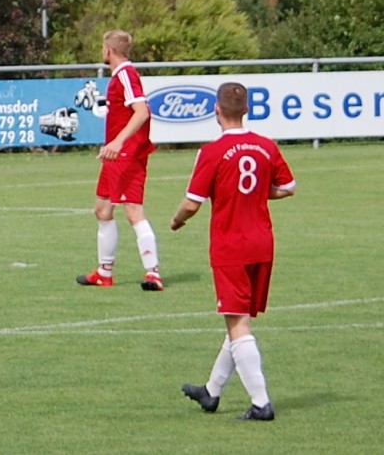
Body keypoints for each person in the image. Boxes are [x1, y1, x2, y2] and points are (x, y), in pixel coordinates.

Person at [171, 82, 295, 422]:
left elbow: (192, 203)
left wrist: (176, 220)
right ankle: (211, 392)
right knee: (239, 317)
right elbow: (288, 187)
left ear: (216, 110)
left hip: (231, 246)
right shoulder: (266, 146)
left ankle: (261, 403)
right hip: (262, 243)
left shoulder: (211, 152)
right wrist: (256, 194)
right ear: (247, 110)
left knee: (238, 323)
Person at [78, 30, 165, 291]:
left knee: (133, 211)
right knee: (102, 209)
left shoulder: (126, 74)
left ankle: (153, 273)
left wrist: (118, 142)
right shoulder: (119, 76)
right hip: (114, 156)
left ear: (109, 50)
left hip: (127, 155)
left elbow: (142, 111)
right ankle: (104, 273)